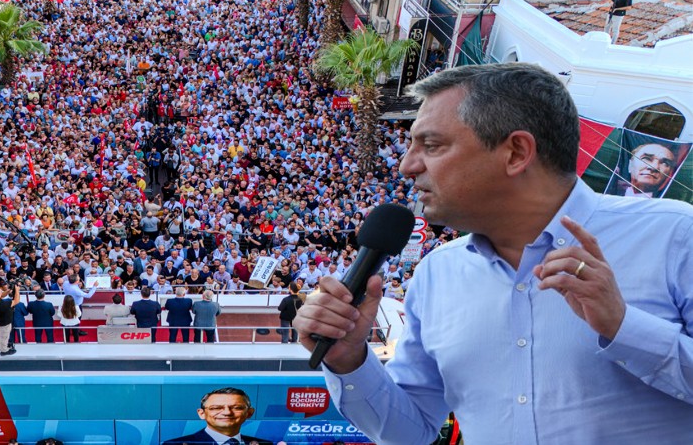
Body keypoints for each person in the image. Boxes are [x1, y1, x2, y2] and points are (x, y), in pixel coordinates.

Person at [293, 63, 693, 444]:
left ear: (517, 152)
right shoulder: (437, 274)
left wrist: (624, 327)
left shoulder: (674, 235)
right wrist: (350, 362)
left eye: (431, 145)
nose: (406, 165)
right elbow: (410, 431)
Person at [162, 387, 272, 445]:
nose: (227, 412)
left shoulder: (265, 444)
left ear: (249, 413)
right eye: (216, 408)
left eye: (236, 407)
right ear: (202, 413)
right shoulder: (176, 444)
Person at [613, 142, 679, 198]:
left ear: (669, 174)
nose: (654, 167)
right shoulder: (610, 189)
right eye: (646, 158)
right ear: (630, 165)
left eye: (665, 163)